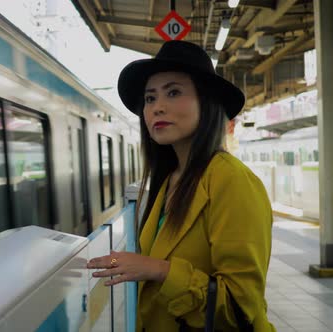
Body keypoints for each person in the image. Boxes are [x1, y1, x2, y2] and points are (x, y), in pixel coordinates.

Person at [86, 40, 274, 331]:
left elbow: (240, 306)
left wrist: (157, 269)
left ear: (206, 102)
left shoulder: (232, 180)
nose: (157, 107)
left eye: (173, 92)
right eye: (150, 98)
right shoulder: (171, 178)